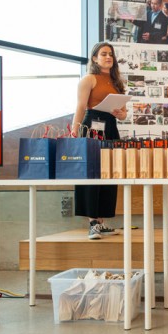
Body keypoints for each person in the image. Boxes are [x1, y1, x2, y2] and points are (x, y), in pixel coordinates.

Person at [70, 42, 128, 240]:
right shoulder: (88, 79)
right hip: (92, 126)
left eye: (110, 54)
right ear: (95, 58)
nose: (108, 57)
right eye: (103, 54)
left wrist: (121, 113)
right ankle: (92, 223)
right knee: (91, 174)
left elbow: (122, 115)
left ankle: (102, 222)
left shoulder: (117, 81)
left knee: (110, 174)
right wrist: (74, 133)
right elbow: (80, 107)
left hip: (111, 127)